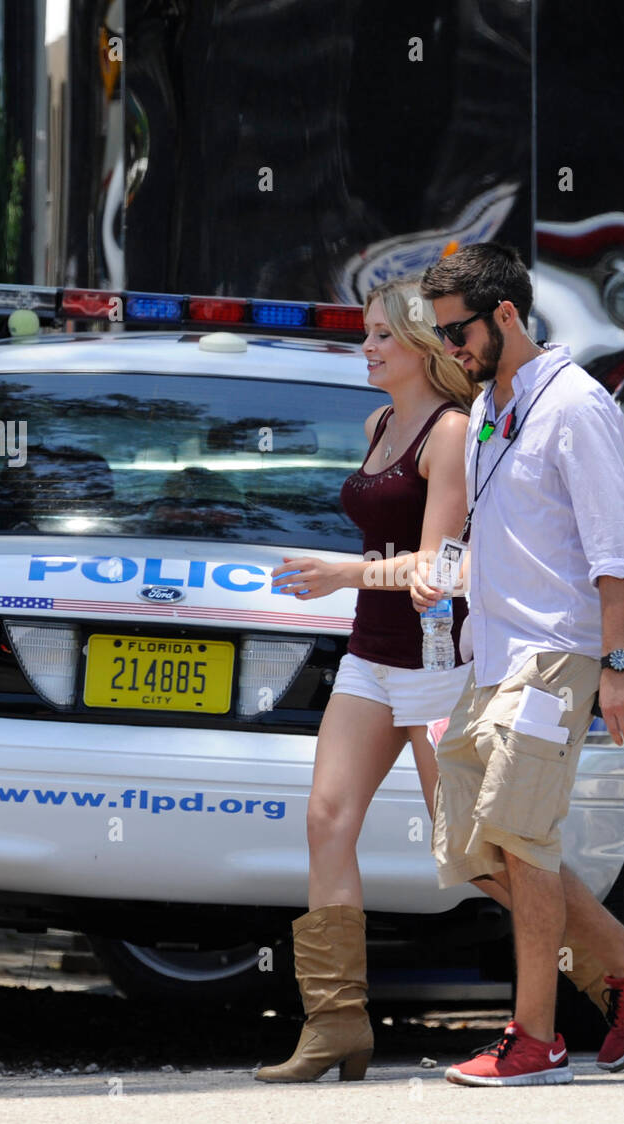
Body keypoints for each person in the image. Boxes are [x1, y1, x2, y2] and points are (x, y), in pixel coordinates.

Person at [416, 242, 624, 1086]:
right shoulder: (493, 406)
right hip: (489, 658)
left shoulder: (574, 404)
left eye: (457, 331)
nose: (449, 349)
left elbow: (615, 546)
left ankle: (535, 1038)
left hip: (556, 654)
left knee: (523, 840)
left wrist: (616, 665)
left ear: (505, 315)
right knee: (470, 849)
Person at [254, 278, 476, 1082]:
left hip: (433, 661)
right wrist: (351, 583)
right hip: (371, 655)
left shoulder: (448, 432)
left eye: (383, 335)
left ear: (421, 344)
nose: (369, 347)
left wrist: (341, 572)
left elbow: (441, 564)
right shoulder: (381, 421)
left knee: (472, 848)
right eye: (366, 333)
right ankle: (336, 1024)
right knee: (326, 817)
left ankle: (619, 961)